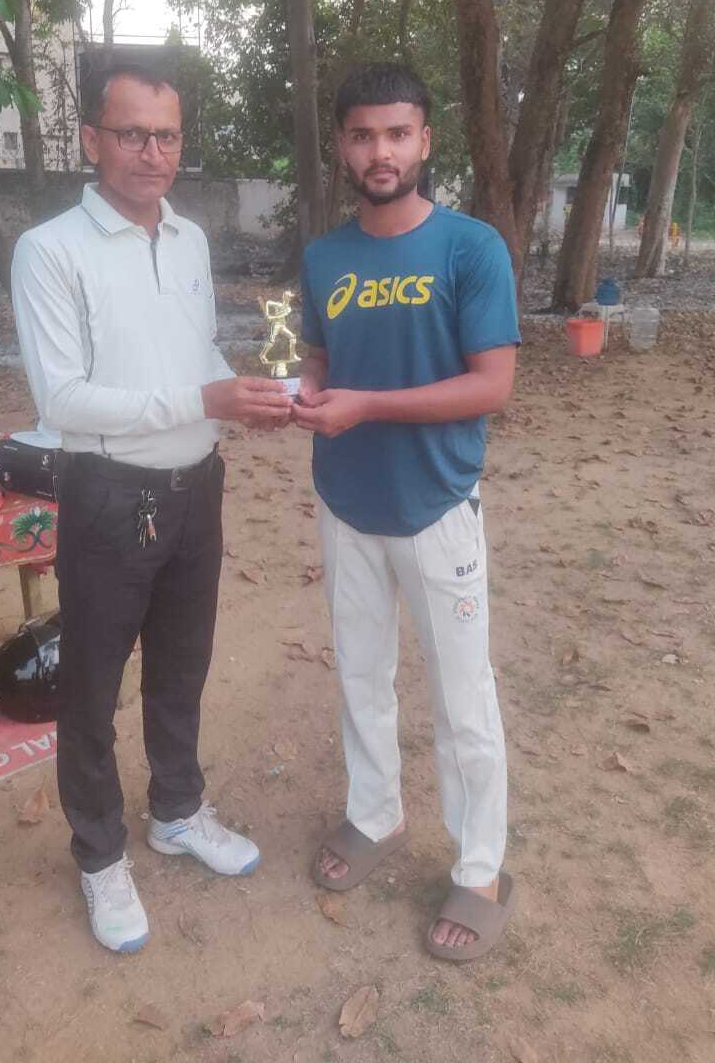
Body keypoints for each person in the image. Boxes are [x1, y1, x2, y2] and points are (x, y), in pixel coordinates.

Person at [11, 67, 291, 954]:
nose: (151, 153)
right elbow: (64, 399)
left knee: (182, 664)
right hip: (107, 495)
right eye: (131, 133)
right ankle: (99, 853)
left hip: (195, 488)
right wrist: (203, 396)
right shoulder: (50, 250)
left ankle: (176, 809)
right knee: (91, 687)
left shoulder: (190, 237)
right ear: (92, 141)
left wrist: (249, 395)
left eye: (167, 135)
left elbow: (194, 352)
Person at [293, 62, 520, 963]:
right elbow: (317, 356)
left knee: (463, 696)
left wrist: (367, 406)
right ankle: (374, 813)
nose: (379, 151)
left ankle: (480, 867)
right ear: (342, 146)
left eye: (396, 133)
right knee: (360, 673)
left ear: (425, 139)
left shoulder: (472, 248)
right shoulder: (324, 256)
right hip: (346, 501)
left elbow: (491, 384)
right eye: (362, 135)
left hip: (437, 503)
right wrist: (303, 392)